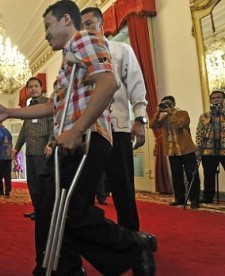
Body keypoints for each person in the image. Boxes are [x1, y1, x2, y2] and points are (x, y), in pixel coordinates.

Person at [0, 1, 157, 275]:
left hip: (87, 139)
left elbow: (108, 83)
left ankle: (132, 245)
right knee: (51, 210)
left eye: (48, 26)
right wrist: (11, 112)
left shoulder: (84, 39)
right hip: (70, 141)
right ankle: (61, 267)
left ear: (65, 20)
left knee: (70, 210)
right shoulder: (67, 59)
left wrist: (75, 131)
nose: (46, 34)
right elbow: (55, 106)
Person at [81, 7, 148, 231]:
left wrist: (140, 119)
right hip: (88, 132)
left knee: (123, 188)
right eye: (82, 26)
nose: (86, 30)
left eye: (89, 24)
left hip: (117, 129)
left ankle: (132, 238)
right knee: (85, 190)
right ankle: (89, 237)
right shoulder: (81, 58)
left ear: (101, 24)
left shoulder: (121, 50)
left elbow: (136, 85)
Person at [13, 76, 54, 220]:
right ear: (27, 90)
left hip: (43, 151)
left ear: (41, 88)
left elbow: (52, 125)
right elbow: (24, 130)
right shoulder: (29, 107)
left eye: (36, 86)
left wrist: (50, 143)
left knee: (43, 183)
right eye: (30, 87)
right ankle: (38, 210)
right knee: (32, 183)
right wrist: (16, 148)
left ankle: (45, 212)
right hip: (30, 151)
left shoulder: (48, 103)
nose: (33, 89)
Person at [149, 96, 200, 209]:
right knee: (176, 176)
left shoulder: (183, 113)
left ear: (174, 104)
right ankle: (179, 198)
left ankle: (195, 199)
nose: (166, 106)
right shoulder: (163, 117)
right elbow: (152, 125)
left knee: (191, 175)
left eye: (168, 104)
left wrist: (171, 113)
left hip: (186, 149)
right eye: (164, 104)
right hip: (172, 151)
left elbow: (179, 125)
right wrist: (158, 112)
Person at [196, 90, 225, 203]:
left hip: (224, 150)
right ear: (210, 101)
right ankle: (208, 197)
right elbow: (199, 133)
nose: (216, 99)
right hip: (208, 150)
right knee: (208, 175)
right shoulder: (204, 116)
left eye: (219, 97)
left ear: (223, 100)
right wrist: (199, 148)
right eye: (213, 98)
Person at [0, 121, 13, 197]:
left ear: (0, 123)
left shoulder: (1, 130)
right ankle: (7, 191)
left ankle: (0, 190)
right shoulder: (7, 131)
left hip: (1, 156)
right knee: (7, 174)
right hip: (8, 156)